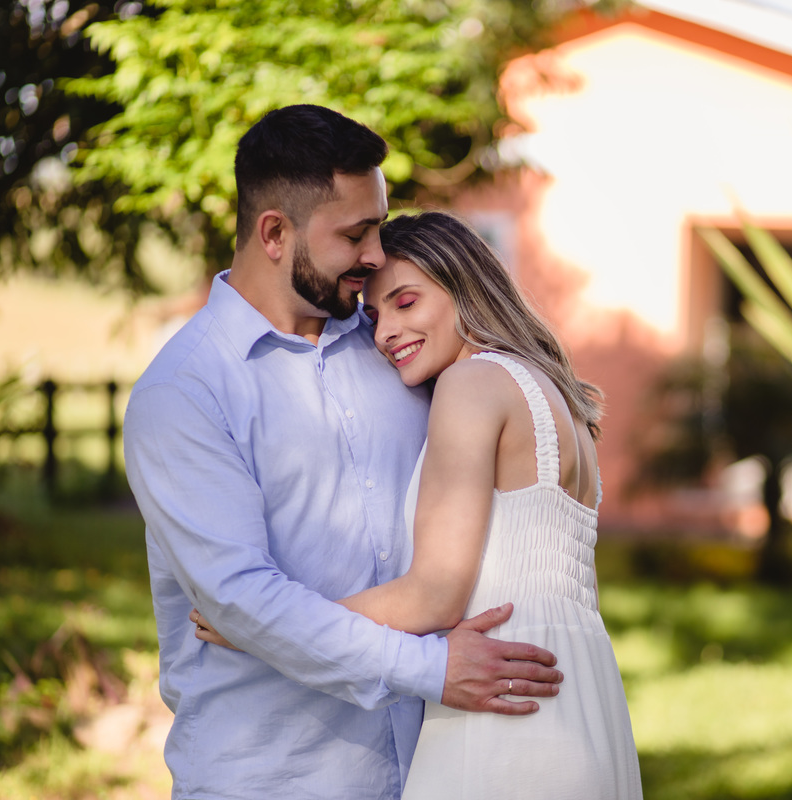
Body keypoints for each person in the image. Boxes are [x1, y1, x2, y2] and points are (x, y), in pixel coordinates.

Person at [123, 105, 562, 800]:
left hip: (433, 766)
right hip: (271, 778)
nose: (378, 255)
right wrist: (432, 668)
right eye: (356, 233)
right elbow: (241, 601)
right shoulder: (185, 393)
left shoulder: (399, 347)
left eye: (379, 228)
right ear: (274, 233)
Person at [200, 210, 643, 798]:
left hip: (501, 701)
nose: (385, 334)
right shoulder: (560, 400)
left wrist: (264, 625)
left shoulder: (471, 385)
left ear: (466, 288)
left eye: (407, 303)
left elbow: (433, 595)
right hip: (581, 698)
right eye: (376, 315)